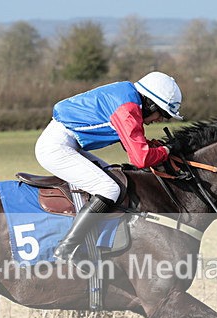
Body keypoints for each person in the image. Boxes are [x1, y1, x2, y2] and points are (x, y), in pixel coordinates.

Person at [35, 71, 184, 261]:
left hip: (67, 143)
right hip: (56, 147)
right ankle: (66, 249)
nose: (160, 120)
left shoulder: (128, 97)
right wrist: (167, 150)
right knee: (110, 188)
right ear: (151, 103)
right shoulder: (128, 109)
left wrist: (158, 147)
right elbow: (141, 159)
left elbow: (133, 142)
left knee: (116, 178)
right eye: (162, 114)